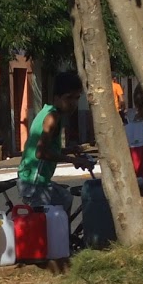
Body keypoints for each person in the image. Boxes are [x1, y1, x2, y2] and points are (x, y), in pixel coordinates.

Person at [18, 70, 87, 210]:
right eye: (69, 98)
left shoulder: (47, 112)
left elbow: (47, 148)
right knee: (53, 219)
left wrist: (69, 150)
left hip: (31, 180)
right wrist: (73, 160)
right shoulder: (52, 118)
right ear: (57, 97)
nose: (73, 103)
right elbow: (40, 153)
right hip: (34, 183)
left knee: (65, 198)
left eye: (77, 98)